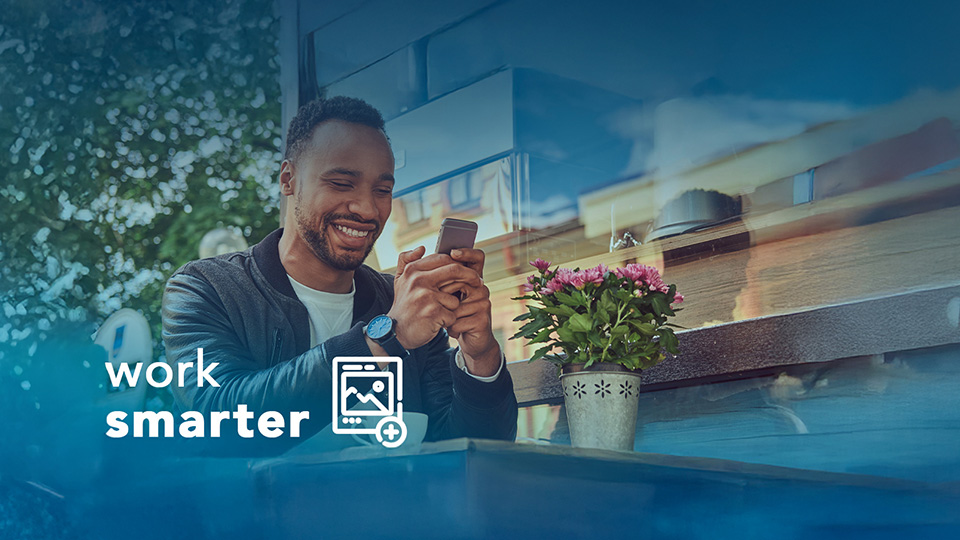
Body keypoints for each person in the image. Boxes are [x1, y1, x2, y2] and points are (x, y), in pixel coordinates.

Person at [161, 96, 518, 455]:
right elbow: (216, 420)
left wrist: (480, 355)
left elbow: (465, 448)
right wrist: (384, 340)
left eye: (382, 190)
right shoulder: (207, 288)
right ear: (289, 180)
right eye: (341, 183)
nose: (366, 208)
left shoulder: (401, 302)